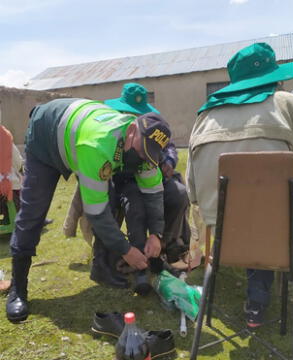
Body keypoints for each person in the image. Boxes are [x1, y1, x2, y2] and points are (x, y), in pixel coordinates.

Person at [187, 43, 293, 335]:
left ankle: (255, 308)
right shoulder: (290, 105)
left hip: (225, 241)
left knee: (250, 221)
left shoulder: (203, 118)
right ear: (275, 78)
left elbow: (193, 192)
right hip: (285, 236)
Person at [6, 98, 170, 322]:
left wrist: (156, 235)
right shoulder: (98, 146)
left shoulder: (146, 152)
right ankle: (18, 288)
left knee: (112, 194)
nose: (144, 159)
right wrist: (126, 250)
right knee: (33, 213)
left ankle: (104, 267)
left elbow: (154, 193)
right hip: (46, 135)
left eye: (150, 155)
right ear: (131, 130)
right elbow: (96, 211)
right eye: (143, 151)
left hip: (76, 131)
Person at [104, 83, 192, 293]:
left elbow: (168, 146)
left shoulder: (154, 125)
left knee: (178, 195)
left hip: (154, 175)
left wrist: (168, 162)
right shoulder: (115, 130)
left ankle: (163, 247)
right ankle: (139, 260)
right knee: (135, 204)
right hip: (126, 181)